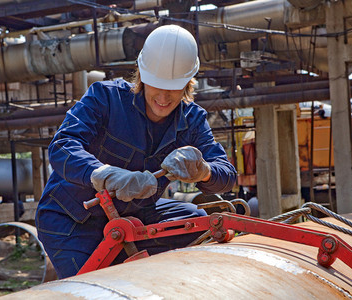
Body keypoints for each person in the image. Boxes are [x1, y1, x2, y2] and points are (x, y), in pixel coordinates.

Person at [35, 24, 237, 279]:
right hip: (72, 218)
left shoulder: (193, 120)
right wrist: (103, 174)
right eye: (156, 85)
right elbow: (62, 146)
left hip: (135, 214)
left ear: (188, 81)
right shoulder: (105, 98)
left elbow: (227, 175)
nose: (163, 97)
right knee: (94, 289)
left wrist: (203, 171)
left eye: (173, 87)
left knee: (195, 221)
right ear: (142, 73)